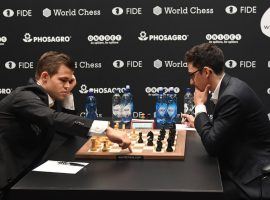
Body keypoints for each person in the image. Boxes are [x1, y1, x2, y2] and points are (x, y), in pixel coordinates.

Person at [0, 51, 131, 199]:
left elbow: (66, 132)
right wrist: (106, 130)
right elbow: (54, 119)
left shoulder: (45, 99)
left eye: (70, 81)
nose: (67, 86)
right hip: (7, 181)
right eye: (63, 80)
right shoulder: (24, 97)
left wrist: (68, 96)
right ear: (44, 77)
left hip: (25, 176)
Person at [182, 43, 270, 199]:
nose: (191, 82)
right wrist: (198, 123)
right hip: (238, 165)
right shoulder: (228, 87)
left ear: (207, 72)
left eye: (192, 75)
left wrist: (200, 106)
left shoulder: (231, 96)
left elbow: (212, 145)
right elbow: (221, 131)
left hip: (250, 178)